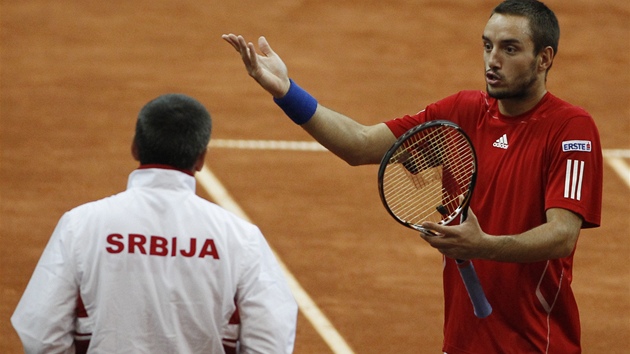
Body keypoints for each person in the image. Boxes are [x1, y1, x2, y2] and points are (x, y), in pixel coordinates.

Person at [222, 0, 602, 352]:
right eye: (487, 46)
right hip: (461, 342)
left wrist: (482, 245)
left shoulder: (570, 128)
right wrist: (287, 92)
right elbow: (359, 144)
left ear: (544, 59)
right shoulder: (461, 112)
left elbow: (562, 235)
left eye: (510, 48)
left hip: (536, 344)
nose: (493, 60)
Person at [11, 94, 298, 353]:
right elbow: (270, 341)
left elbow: (41, 334)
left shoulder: (80, 224)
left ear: (135, 148)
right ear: (201, 159)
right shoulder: (240, 237)